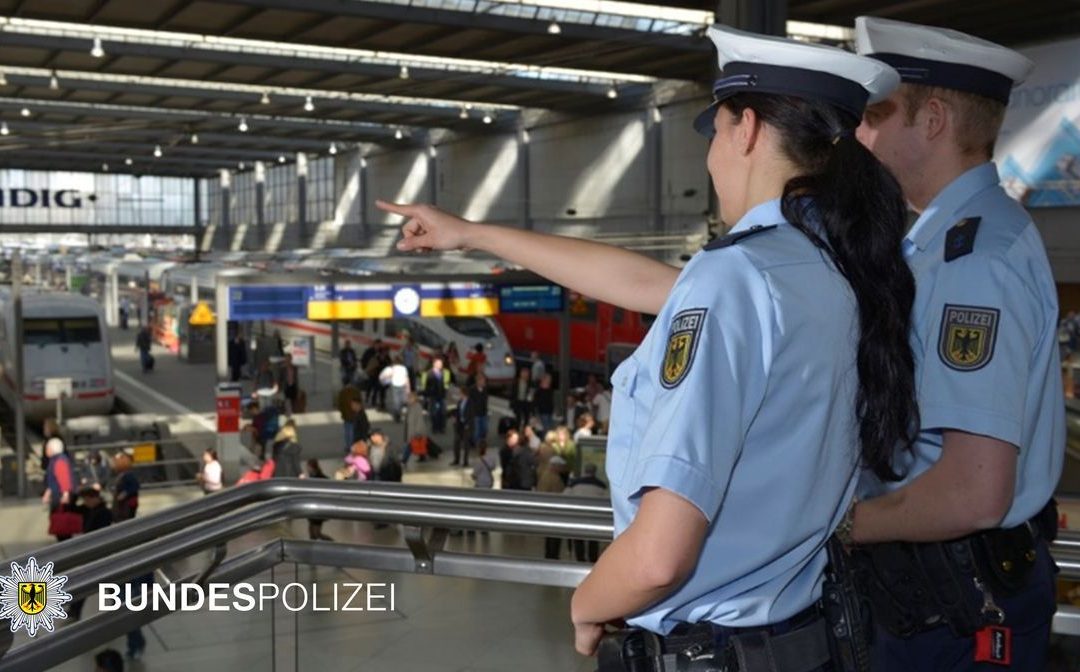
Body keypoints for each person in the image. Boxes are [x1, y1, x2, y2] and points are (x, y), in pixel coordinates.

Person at [378, 23, 920, 668]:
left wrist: (588, 605)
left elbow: (661, 555)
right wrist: (472, 234)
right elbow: (645, 283)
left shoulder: (738, 275)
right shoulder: (822, 269)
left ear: (744, 130)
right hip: (801, 636)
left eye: (716, 131)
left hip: (713, 651)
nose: (713, 153)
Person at [847, 17, 1065, 671]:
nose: (859, 134)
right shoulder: (946, 242)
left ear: (934, 120)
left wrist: (832, 527)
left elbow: (974, 491)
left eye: (876, 115)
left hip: (953, 612)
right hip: (936, 597)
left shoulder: (975, 260)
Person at [565, 463, 609, 562]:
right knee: (593, 538)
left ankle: (580, 558)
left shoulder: (574, 483)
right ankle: (592, 559)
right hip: (594, 516)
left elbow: (565, 496)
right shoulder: (601, 485)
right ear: (595, 472)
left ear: (584, 471)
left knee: (578, 537)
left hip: (578, 514)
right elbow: (607, 500)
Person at [42, 438, 76, 542]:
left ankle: (64, 540)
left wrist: (65, 494)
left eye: (48, 448)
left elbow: (63, 478)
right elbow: (53, 479)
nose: (46, 450)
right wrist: (47, 493)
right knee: (59, 519)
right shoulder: (55, 460)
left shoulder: (59, 460)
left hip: (59, 496)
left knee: (61, 520)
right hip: (57, 494)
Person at [538, 455, 567, 559]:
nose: (562, 469)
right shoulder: (552, 478)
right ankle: (552, 556)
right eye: (560, 466)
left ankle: (550, 555)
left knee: (550, 537)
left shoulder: (546, 475)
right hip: (554, 512)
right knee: (553, 537)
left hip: (550, 511)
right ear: (555, 466)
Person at [301, 458, 332, 541]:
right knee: (313, 533)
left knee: (315, 533)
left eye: (308, 467)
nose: (307, 469)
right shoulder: (316, 477)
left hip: (318, 510)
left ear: (311, 467)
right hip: (314, 509)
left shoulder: (317, 477)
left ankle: (331, 542)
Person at [420, 357, 452, 434]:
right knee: (434, 413)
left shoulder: (444, 373)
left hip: (442, 395)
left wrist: (447, 392)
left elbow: (446, 384)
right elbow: (426, 386)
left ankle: (442, 427)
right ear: (434, 364)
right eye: (439, 364)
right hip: (433, 395)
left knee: (443, 412)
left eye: (441, 364)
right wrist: (426, 395)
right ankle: (435, 427)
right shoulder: (429, 373)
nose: (440, 365)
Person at [379, 356, 411, 422]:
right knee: (400, 401)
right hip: (398, 385)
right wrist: (408, 388)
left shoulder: (397, 368)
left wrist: (385, 381)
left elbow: (383, 376)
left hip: (397, 385)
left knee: (398, 401)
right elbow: (406, 378)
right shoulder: (399, 368)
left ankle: (397, 413)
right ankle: (397, 414)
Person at [111, 452, 140, 522]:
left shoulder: (128, 475)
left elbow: (135, 486)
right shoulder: (121, 475)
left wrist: (124, 493)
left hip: (126, 504)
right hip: (122, 504)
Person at [337, 381, 364, 453]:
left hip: (346, 415)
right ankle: (352, 445)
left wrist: (342, 411)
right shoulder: (356, 391)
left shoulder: (342, 393)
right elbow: (360, 402)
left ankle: (348, 446)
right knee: (353, 431)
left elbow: (339, 404)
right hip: (354, 414)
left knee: (347, 431)